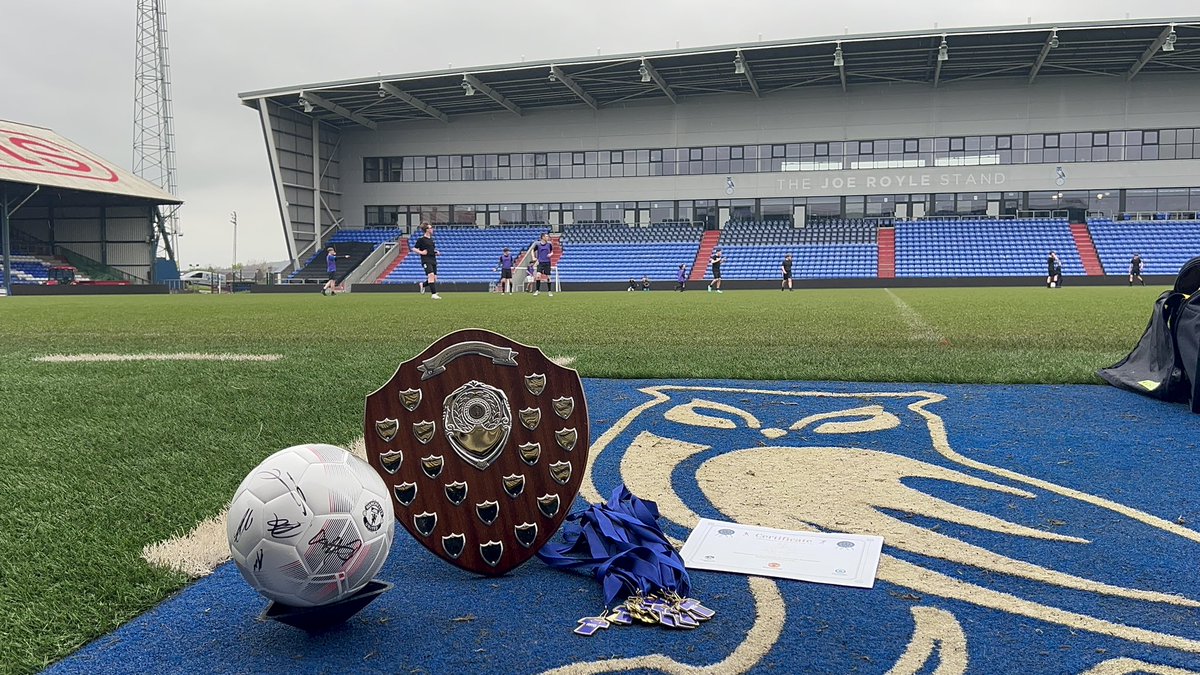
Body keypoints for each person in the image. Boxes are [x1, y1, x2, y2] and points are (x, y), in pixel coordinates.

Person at [412, 223, 441, 300]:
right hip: (426, 260)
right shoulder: (421, 239)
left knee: (434, 278)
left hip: (433, 259)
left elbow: (430, 250)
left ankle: (423, 284)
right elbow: (414, 248)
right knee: (431, 275)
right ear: (427, 230)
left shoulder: (431, 240)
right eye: (431, 228)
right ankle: (433, 294)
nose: (432, 229)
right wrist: (421, 252)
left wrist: (435, 252)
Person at [533, 233, 554, 297]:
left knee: (548, 277)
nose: (547, 237)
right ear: (543, 237)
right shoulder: (538, 245)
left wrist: (551, 254)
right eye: (546, 236)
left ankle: (549, 291)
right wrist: (533, 257)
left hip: (547, 262)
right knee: (538, 276)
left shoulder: (549, 244)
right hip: (540, 262)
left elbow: (552, 251)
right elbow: (532, 250)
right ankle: (537, 290)